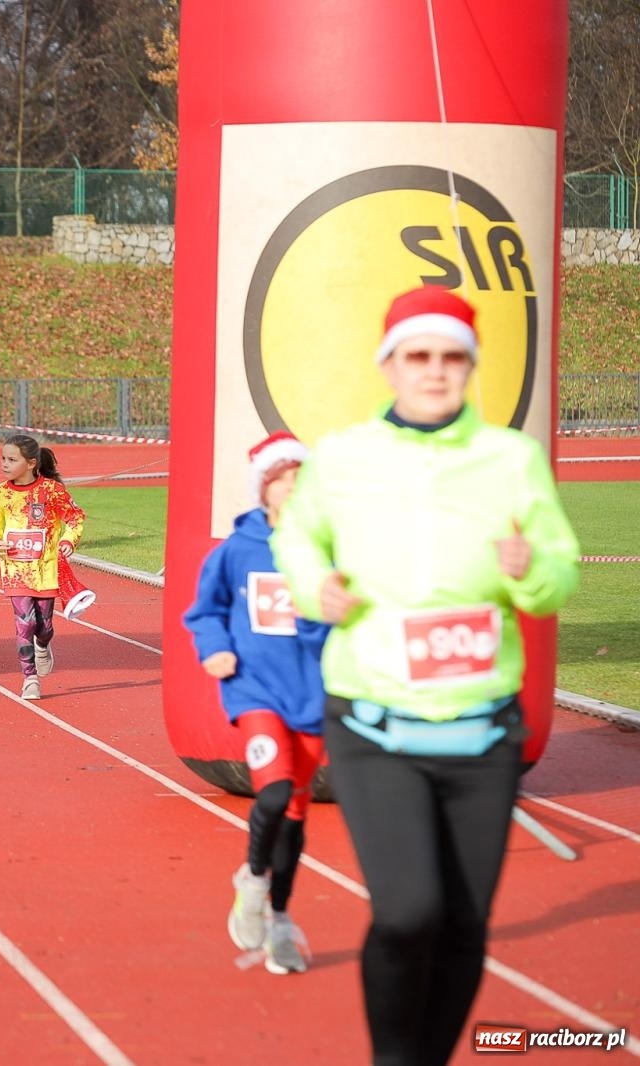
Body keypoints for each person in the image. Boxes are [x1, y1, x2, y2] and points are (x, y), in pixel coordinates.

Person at [272, 286, 580, 1065]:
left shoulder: (510, 459)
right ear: (392, 366)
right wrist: (318, 588)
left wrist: (531, 570)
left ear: (469, 367)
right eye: (419, 356)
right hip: (376, 724)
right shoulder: (344, 457)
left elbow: (557, 566)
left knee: (466, 924)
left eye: (452, 358)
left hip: (483, 730)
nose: (436, 372)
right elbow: (299, 540)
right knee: (410, 911)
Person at [182, 431, 327, 976]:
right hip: (255, 690)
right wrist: (217, 650)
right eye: (282, 481)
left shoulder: (327, 550)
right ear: (264, 489)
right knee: (275, 795)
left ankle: (281, 921)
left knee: (294, 817)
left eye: (301, 482)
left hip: (311, 694)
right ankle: (251, 880)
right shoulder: (237, 551)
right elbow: (204, 612)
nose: (292, 490)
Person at [0, 435, 86, 700]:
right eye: (3, 458)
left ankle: (43, 644)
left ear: (31, 463)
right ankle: (30, 679)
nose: (4, 464)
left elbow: (74, 519)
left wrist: (67, 542)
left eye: (11, 460)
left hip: (47, 570)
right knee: (24, 623)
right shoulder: (1, 494)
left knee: (44, 625)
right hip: (15, 570)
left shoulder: (51, 491)